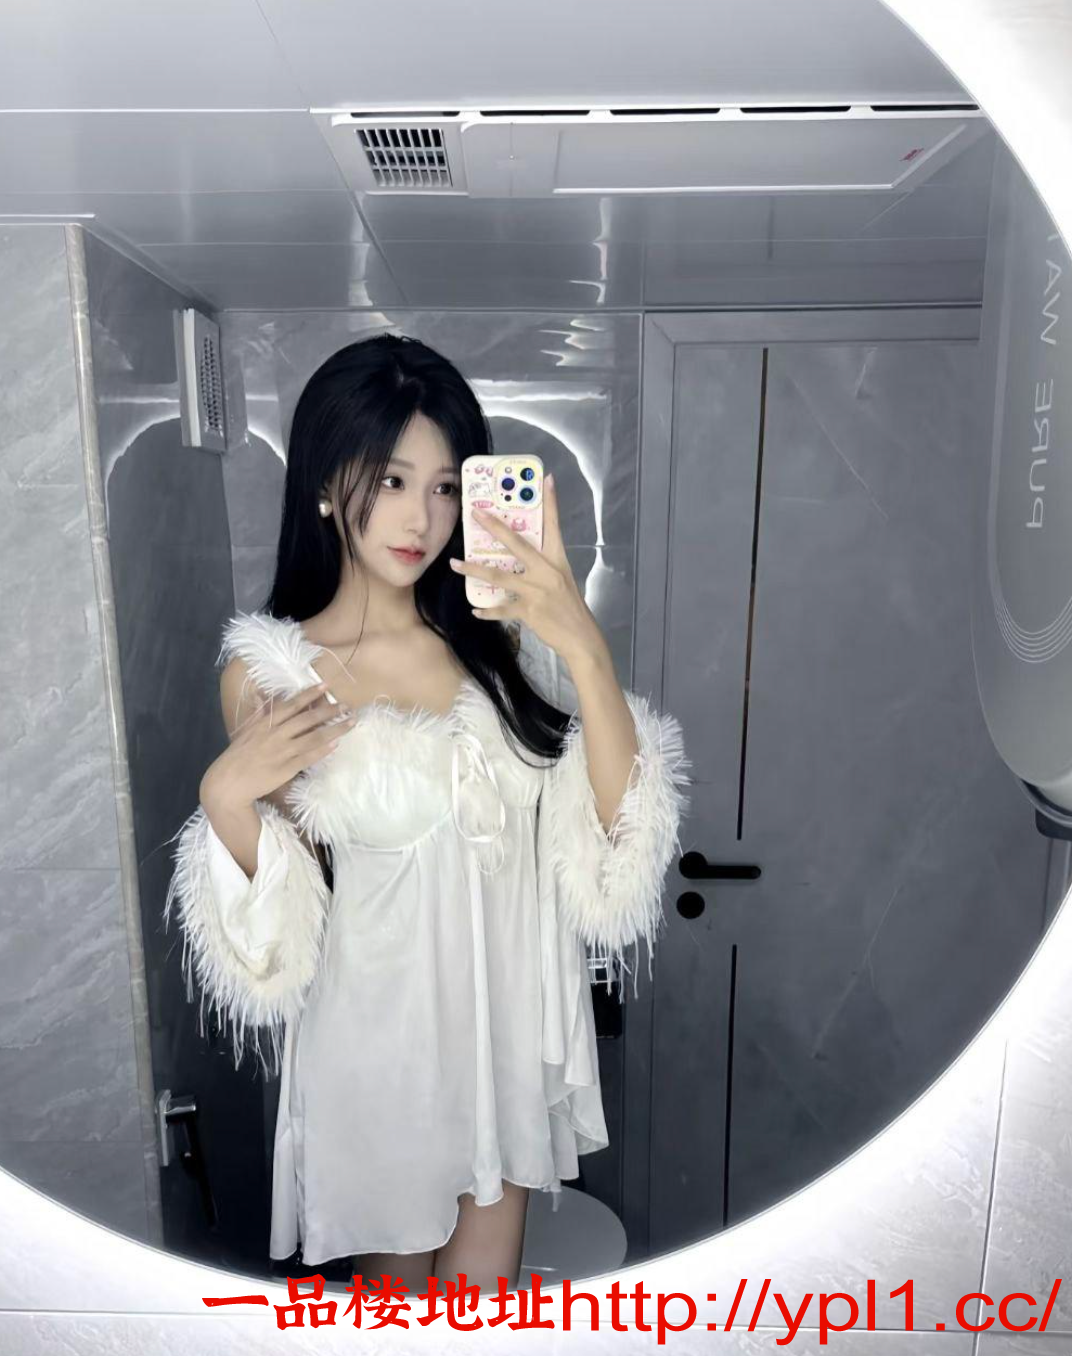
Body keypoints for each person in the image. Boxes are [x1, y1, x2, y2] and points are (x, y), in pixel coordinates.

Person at [163, 332, 691, 1296]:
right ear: (327, 483)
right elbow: (280, 926)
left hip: (505, 1036)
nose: (422, 517)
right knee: (398, 1318)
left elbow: (619, 842)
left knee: (479, 1315)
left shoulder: (502, 650)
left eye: (446, 486)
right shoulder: (275, 671)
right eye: (392, 480)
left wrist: (580, 644)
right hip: (382, 1051)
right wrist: (223, 799)